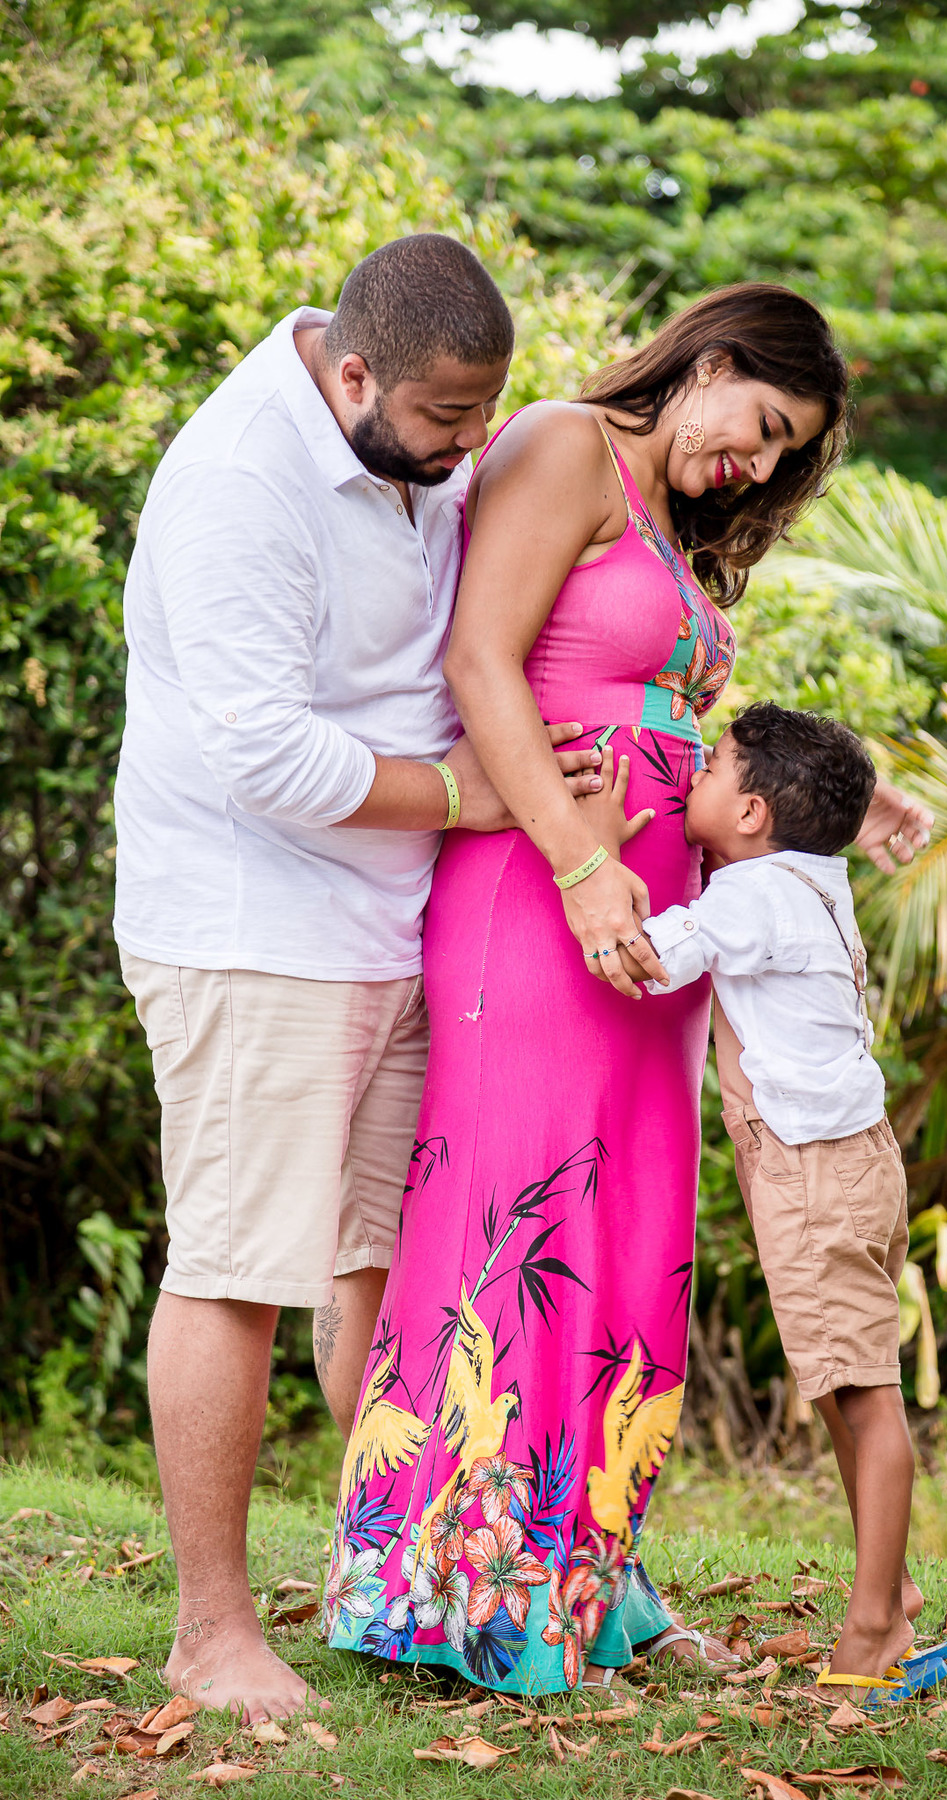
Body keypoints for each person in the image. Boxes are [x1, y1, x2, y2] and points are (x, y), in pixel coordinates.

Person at [326, 285, 933, 1695]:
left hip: (659, 930)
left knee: (626, 1227)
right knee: (521, 1212)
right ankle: (460, 1597)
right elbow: (482, 659)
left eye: (788, 457)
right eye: (765, 428)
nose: (763, 467)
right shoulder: (559, 445)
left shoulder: (672, 520)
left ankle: (582, 1583)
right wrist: (583, 864)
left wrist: (857, 792)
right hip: (546, 900)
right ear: (711, 361)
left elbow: (670, 711)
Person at [113, 234, 604, 1723]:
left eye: (488, 415)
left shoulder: (413, 445)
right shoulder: (238, 485)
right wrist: (472, 798)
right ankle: (211, 1632)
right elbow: (263, 756)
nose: (473, 448)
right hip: (255, 927)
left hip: (393, 930)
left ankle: (391, 1582)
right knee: (238, 1272)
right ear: (351, 374)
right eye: (452, 418)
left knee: (382, 1281)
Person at [623, 702, 947, 1699]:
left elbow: (647, 962)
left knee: (864, 1398)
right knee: (840, 1391)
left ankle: (870, 1635)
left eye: (714, 765)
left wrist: (586, 864)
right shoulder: (811, 876)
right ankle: (884, 1605)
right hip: (852, 1164)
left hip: (813, 1174)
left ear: (755, 812)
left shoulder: (752, 895)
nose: (695, 774)